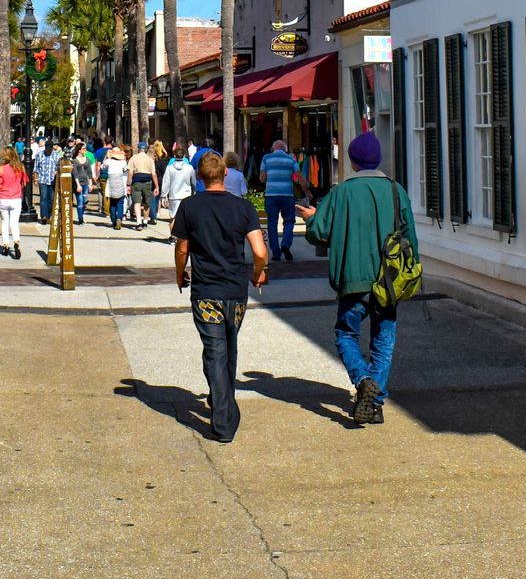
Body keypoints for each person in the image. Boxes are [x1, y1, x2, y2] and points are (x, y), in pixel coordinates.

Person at [297, 131, 418, 426]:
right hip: (388, 279)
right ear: (379, 159)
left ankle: (363, 381)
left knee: (346, 334)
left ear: (352, 162)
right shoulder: (395, 190)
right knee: (383, 339)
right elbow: (410, 237)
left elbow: (319, 233)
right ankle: (374, 403)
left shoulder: (341, 192)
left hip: (352, 277)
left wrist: (311, 218)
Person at [173, 150, 269, 443]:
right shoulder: (243, 208)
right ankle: (224, 403)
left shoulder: (190, 207)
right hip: (235, 290)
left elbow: (182, 249)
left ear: (199, 178)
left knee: (214, 351)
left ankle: (224, 419)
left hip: (206, 291)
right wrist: (258, 272)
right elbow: (260, 250)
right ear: (226, 174)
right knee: (229, 345)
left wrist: (180, 273)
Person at [259, 140, 308, 263]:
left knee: (272, 223)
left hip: (271, 195)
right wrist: (307, 192)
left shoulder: (266, 158)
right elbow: (300, 177)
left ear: (273, 148)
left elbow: (262, 178)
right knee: (289, 221)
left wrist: (269, 178)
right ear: (285, 148)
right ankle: (285, 243)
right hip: (287, 195)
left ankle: (276, 252)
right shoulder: (291, 159)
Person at [0, 146, 26, 259]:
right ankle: (16, 241)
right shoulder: (20, 168)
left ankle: (5, 245)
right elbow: (24, 183)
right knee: (14, 222)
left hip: (3, 197)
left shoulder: (0, 169)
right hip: (16, 198)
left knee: (4, 222)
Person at [158, 142, 195, 220]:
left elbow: (166, 183)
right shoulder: (189, 168)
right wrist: (194, 192)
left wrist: (163, 196)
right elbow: (193, 182)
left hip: (173, 196)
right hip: (186, 196)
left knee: (173, 218)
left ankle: (173, 232)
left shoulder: (169, 168)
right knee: (185, 218)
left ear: (174, 156)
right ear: (184, 156)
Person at [128, 141, 157, 230]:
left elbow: (130, 172)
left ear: (138, 148)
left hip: (136, 182)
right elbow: (154, 174)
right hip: (148, 182)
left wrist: (128, 184)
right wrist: (157, 186)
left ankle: (138, 223)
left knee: (137, 202)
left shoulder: (133, 158)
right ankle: (145, 221)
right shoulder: (150, 160)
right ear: (146, 149)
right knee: (146, 203)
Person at [102, 144, 130, 229]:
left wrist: (107, 157)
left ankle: (113, 219)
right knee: (120, 202)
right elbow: (125, 169)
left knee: (113, 203)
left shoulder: (108, 161)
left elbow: (102, 167)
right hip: (120, 182)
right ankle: (119, 218)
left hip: (111, 183)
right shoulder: (123, 162)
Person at [33, 141, 61, 223]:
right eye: (47, 147)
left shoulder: (56, 155)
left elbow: (59, 167)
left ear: (52, 148)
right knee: (43, 198)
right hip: (42, 180)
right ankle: (44, 216)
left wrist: (57, 172)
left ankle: (49, 215)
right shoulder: (39, 155)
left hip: (52, 180)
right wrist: (35, 179)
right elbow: (36, 168)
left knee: (51, 199)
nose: (48, 149)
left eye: (50, 147)